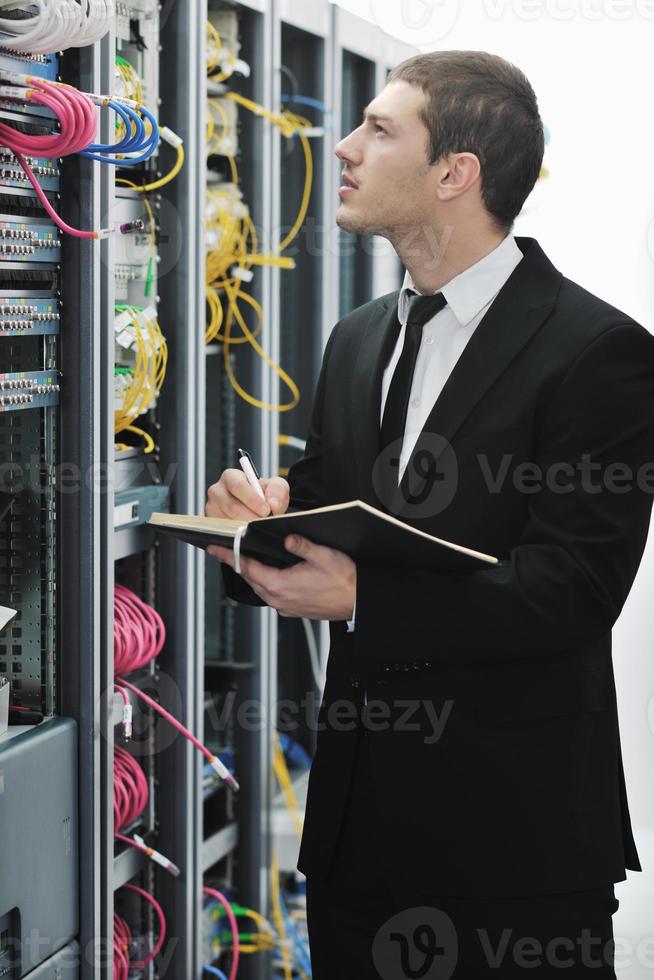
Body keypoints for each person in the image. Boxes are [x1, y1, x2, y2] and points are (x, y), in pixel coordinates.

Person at [205, 50, 654, 979]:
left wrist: (364, 597)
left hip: (512, 857)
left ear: (456, 173)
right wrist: (255, 522)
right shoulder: (360, 336)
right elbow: (330, 511)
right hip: (355, 847)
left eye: (379, 128)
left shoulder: (598, 351)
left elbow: (572, 591)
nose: (343, 148)